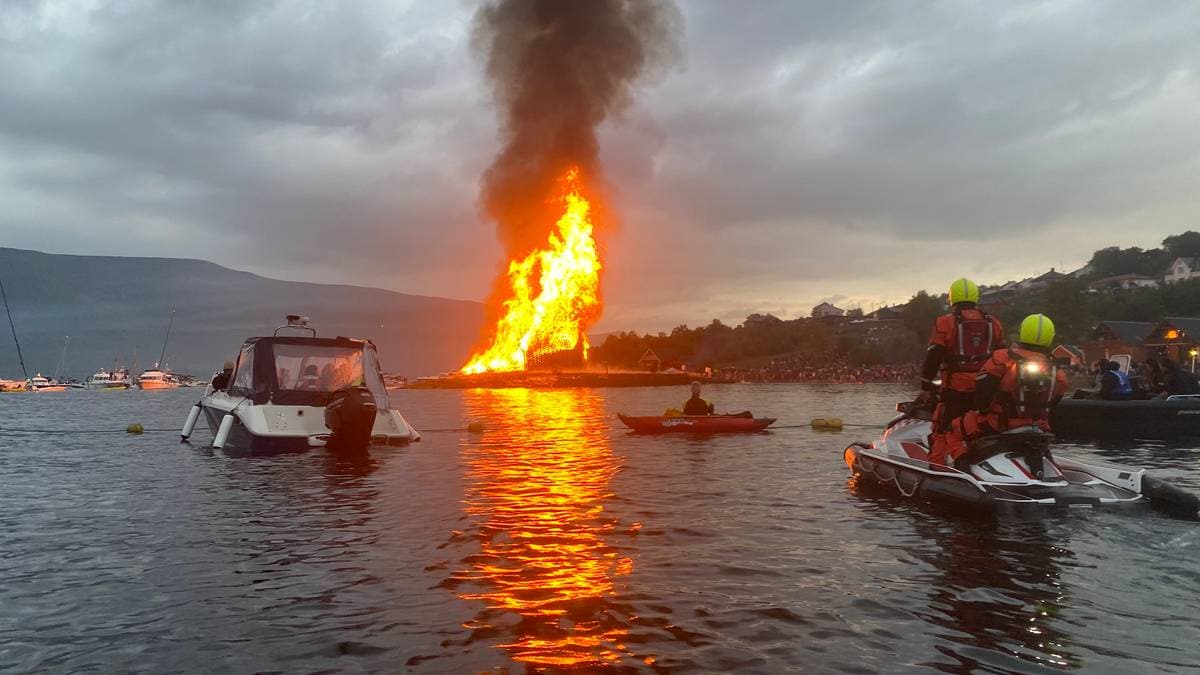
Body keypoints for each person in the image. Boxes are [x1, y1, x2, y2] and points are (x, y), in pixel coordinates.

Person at [942, 313, 1069, 466]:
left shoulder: (1001, 359)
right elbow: (1053, 405)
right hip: (1038, 427)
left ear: (1022, 332)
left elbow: (981, 399)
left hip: (999, 424)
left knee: (951, 428)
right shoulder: (1059, 373)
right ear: (1051, 337)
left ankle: (962, 466)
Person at [920, 278, 1005, 465]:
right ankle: (984, 462)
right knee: (977, 425)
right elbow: (1002, 357)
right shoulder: (994, 323)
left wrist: (925, 381)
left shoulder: (945, 323)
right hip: (986, 389)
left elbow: (934, 354)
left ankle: (938, 467)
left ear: (952, 299)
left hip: (956, 389)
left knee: (945, 429)